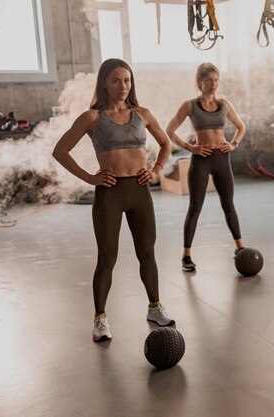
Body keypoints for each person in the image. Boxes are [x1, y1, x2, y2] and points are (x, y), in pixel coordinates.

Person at [52, 58, 174, 342]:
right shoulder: (92, 117)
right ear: (104, 83)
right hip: (110, 193)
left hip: (140, 191)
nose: (123, 86)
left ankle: (155, 307)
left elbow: (166, 143)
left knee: (147, 252)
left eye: (127, 80)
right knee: (107, 257)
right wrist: (89, 177)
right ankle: (100, 319)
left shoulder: (143, 113)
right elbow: (60, 150)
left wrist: (156, 170)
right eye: (116, 80)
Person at [165, 63, 247, 272]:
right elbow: (170, 130)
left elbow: (241, 127)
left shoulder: (224, 103)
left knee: (229, 205)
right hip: (201, 160)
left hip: (222, 159)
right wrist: (191, 148)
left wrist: (233, 144)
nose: (213, 84)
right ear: (199, 82)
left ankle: (240, 248)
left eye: (216, 80)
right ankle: (186, 256)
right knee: (195, 208)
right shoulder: (190, 105)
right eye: (209, 80)